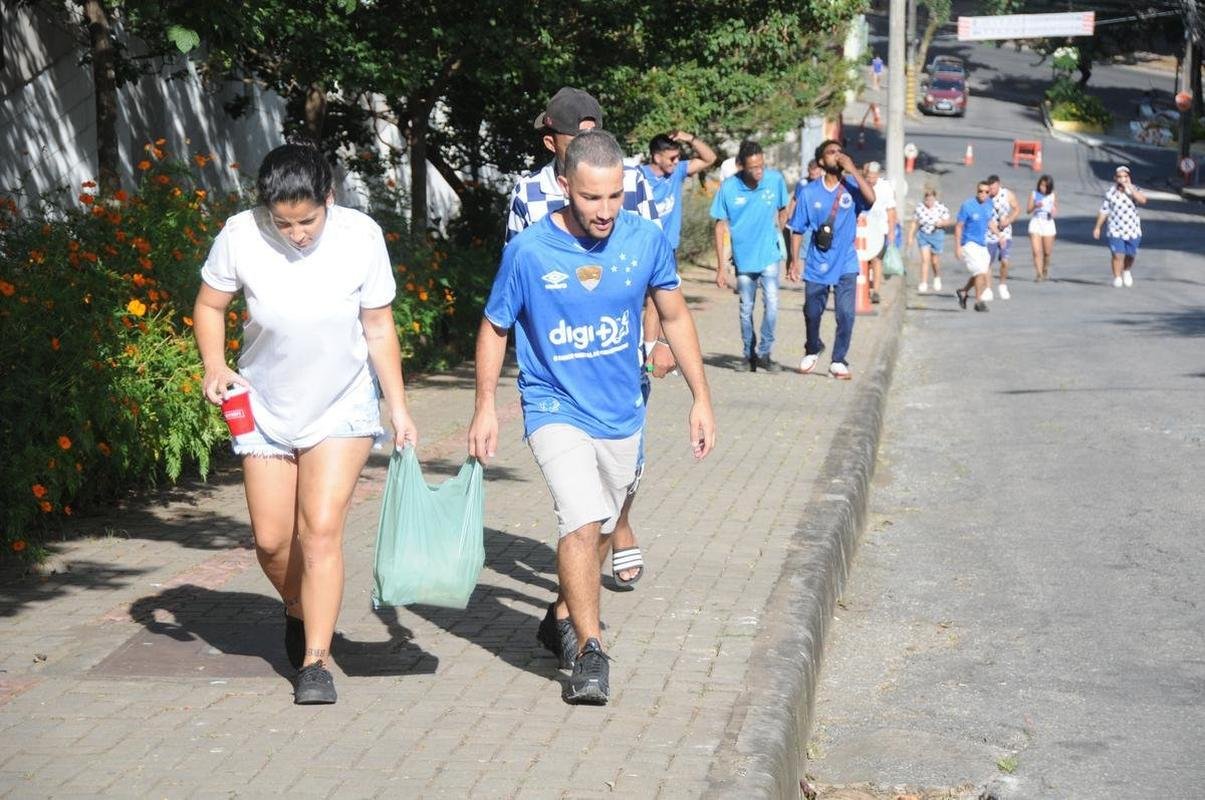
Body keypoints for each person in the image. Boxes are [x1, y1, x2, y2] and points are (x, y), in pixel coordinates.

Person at [468, 130, 716, 704]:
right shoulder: (529, 251)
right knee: (581, 520)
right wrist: (484, 406)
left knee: (604, 523)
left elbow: (675, 316)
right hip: (553, 403)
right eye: (590, 198)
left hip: (621, 408)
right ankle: (590, 650)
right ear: (564, 187)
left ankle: (562, 612)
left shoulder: (644, 239)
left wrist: (701, 397)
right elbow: (495, 326)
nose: (604, 211)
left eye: (613, 197)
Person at [193, 143, 418, 705]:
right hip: (264, 405)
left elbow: (378, 326)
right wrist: (215, 365)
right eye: (284, 223)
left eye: (307, 221)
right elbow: (210, 305)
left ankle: (316, 661)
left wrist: (398, 407)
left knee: (318, 530)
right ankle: (298, 606)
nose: (296, 234)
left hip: (341, 404)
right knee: (272, 541)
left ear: (329, 199)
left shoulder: (361, 236)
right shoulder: (240, 234)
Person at [507, 86, 666, 586]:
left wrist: (655, 342)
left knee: (625, 462)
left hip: (622, 348)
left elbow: (655, 272)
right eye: (574, 135)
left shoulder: (632, 182)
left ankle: (620, 524)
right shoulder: (528, 193)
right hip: (561, 363)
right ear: (551, 142)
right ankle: (583, 590)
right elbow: (515, 279)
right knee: (579, 502)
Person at [786, 139, 875, 380]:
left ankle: (838, 360)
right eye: (831, 152)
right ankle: (813, 347)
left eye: (840, 152)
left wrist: (853, 169)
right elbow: (797, 229)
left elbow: (871, 199)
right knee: (812, 311)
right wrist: (794, 261)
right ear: (821, 160)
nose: (837, 155)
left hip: (846, 261)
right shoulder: (809, 192)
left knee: (846, 314)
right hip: (818, 261)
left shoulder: (851, 186)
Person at [711, 140, 790, 372]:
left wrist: (786, 247)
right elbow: (719, 226)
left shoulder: (775, 180)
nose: (758, 171)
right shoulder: (729, 188)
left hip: (769, 255)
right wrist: (721, 267)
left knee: (772, 304)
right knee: (746, 308)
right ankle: (748, 355)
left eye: (761, 166)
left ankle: (765, 352)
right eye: (753, 167)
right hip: (744, 259)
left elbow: (783, 211)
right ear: (741, 166)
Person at [638, 130, 716, 252]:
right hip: (643, 248)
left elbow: (710, 159)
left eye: (678, 157)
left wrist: (690, 138)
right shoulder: (636, 176)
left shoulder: (677, 171)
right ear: (657, 158)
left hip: (669, 247)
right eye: (672, 158)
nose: (676, 162)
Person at [1092, 165, 1147, 287]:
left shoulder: (1135, 189)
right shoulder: (1110, 193)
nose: (1123, 179)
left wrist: (1130, 188)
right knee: (1117, 254)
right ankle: (1117, 277)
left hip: (1133, 229)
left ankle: (1126, 271)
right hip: (1115, 229)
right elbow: (1104, 211)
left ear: (1129, 177)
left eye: (1125, 176)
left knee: (1131, 254)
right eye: (1120, 176)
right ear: (1115, 178)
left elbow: (1143, 200)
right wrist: (1097, 227)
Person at [954, 180, 999, 313]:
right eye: (980, 191)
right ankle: (979, 302)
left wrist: (999, 235)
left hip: (981, 244)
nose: (983, 194)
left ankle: (963, 292)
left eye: (986, 192)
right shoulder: (968, 206)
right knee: (979, 271)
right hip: (969, 243)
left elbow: (989, 221)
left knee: (982, 274)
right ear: (976, 191)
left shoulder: (989, 205)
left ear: (989, 193)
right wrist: (958, 246)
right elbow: (959, 226)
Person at [860, 162, 896, 304]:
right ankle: (863, 287)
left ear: (878, 175)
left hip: (879, 230)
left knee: (876, 259)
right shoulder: (861, 185)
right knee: (863, 259)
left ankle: (875, 291)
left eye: (874, 177)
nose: (871, 180)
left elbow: (891, 210)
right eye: (869, 176)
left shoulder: (885, 187)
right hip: (862, 229)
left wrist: (891, 231)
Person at [907, 188, 953, 294]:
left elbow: (948, 220)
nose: (929, 202)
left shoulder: (940, 207)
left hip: (936, 234)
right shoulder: (919, 208)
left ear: (935, 198)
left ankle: (937, 276)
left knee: (934, 260)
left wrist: (941, 223)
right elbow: (914, 222)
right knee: (925, 259)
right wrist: (910, 237)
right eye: (927, 199)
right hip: (923, 235)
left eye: (931, 199)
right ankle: (923, 282)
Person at [984, 174, 1020, 300]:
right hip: (989, 233)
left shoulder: (1007, 194)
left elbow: (1017, 209)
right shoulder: (985, 196)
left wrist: (1008, 220)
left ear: (999, 185)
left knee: (1005, 260)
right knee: (987, 262)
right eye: (990, 189)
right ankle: (988, 289)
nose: (992, 191)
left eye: (994, 188)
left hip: (1005, 232)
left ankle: (1003, 285)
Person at [784, 159, 824, 264]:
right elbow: (795, 199)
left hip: (821, 222)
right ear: (808, 171)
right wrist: (790, 216)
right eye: (811, 174)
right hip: (806, 222)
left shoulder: (825, 183)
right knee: (806, 250)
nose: (814, 176)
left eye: (816, 174)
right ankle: (807, 268)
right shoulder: (803, 183)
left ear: (821, 171)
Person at [1026, 174, 1058, 282]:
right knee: (1036, 251)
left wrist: (1053, 211)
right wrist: (1035, 206)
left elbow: (1055, 209)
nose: (1042, 187)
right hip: (1036, 222)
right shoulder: (1034, 194)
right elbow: (1028, 210)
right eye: (1041, 185)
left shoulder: (1052, 195)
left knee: (1047, 253)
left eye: (1045, 186)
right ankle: (1038, 274)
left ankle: (1045, 269)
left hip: (1048, 223)